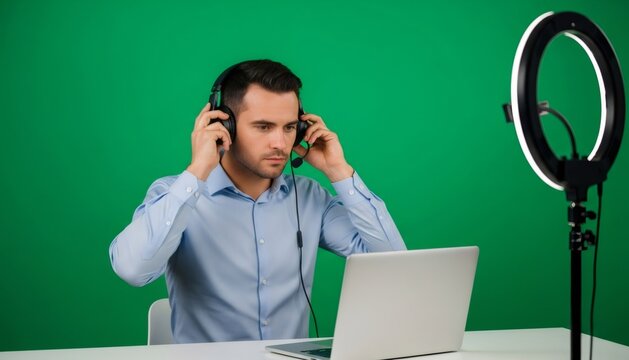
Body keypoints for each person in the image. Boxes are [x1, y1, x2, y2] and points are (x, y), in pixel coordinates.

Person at [109, 59, 406, 343]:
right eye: (263, 127)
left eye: (290, 127)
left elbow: (393, 263)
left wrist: (338, 171)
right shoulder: (174, 194)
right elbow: (133, 270)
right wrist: (198, 170)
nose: (280, 143)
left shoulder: (310, 197)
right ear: (226, 127)